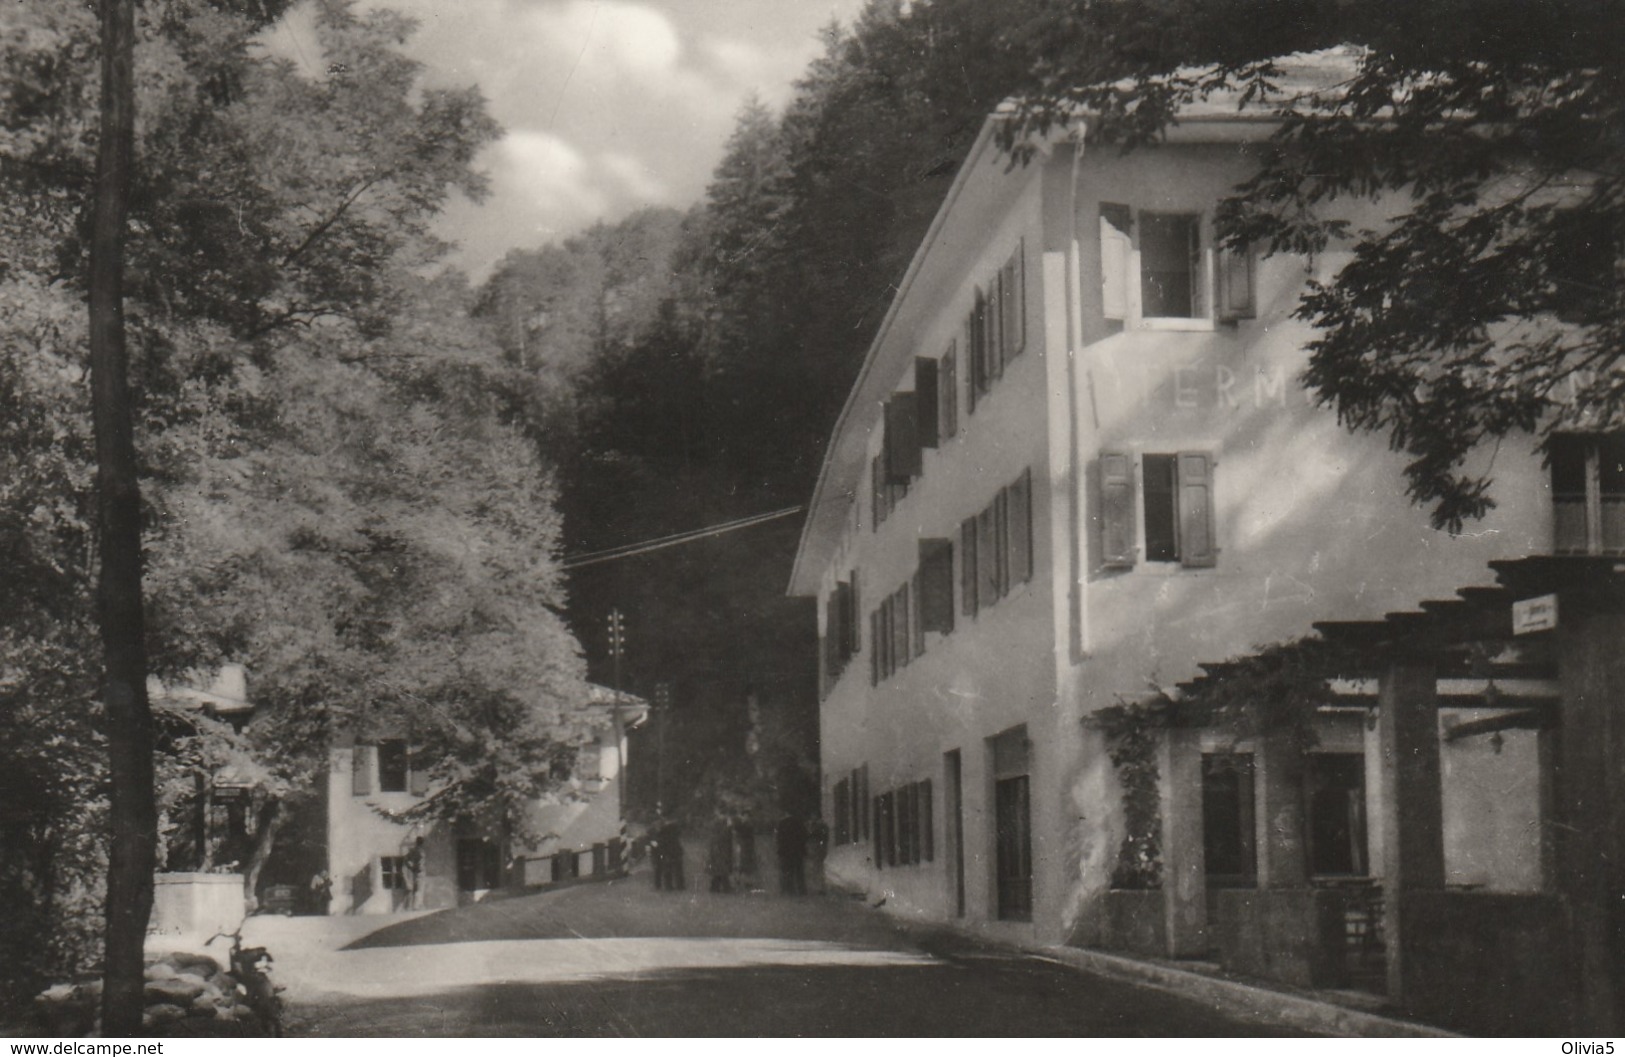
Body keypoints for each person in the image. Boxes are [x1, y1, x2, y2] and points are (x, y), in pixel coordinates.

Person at [775, 812, 807, 896]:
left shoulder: (782, 823)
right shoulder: (799, 822)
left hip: (786, 851)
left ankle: (789, 890)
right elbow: (804, 835)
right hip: (798, 851)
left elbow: (779, 838)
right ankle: (801, 890)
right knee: (799, 872)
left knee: (787, 871)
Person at [706, 813, 734, 893]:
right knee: (722, 868)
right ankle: (725, 887)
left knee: (719, 869)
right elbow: (723, 835)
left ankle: (715, 887)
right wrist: (729, 826)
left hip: (719, 848)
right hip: (720, 848)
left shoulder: (717, 822)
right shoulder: (720, 823)